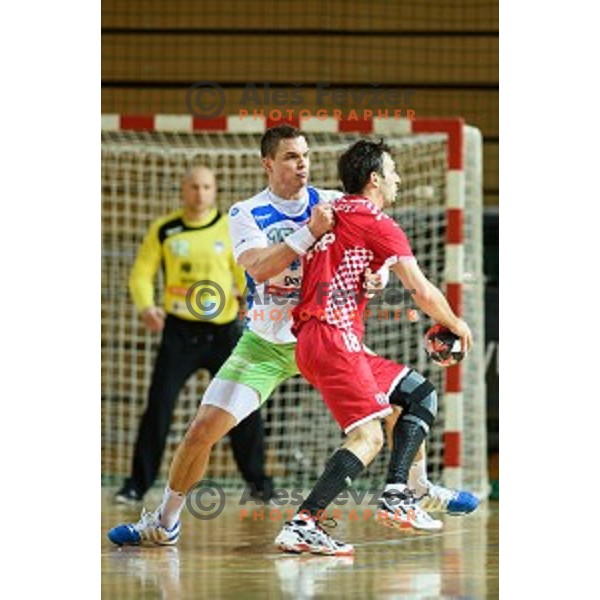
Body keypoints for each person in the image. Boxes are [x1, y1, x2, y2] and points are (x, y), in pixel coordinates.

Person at [107, 126, 476, 548]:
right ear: (268, 163)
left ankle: (417, 489)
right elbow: (259, 267)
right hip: (267, 342)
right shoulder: (246, 212)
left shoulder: (335, 202)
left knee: (401, 402)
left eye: (305, 155)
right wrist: (309, 233)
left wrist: (374, 277)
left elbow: (368, 252)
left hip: (324, 333)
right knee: (201, 430)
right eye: (290, 157)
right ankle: (164, 521)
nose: (302, 164)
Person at [274, 139, 475, 555]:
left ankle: (404, 489)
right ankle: (304, 522)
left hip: (320, 339)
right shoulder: (377, 223)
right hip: (332, 336)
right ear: (375, 179)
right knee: (368, 435)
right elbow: (419, 289)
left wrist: (373, 275)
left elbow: (347, 260)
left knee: (419, 393)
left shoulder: (332, 215)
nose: (399, 178)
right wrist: (455, 323)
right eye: (393, 171)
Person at [114, 165, 273, 506]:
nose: (200, 193)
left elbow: (247, 271)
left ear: (214, 191)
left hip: (223, 334)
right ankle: (135, 486)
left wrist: (247, 299)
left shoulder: (229, 229)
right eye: (193, 187)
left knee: (242, 408)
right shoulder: (165, 230)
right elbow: (141, 274)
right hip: (179, 333)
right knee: (159, 407)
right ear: (183, 190)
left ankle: (260, 484)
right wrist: (146, 306)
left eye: (206, 186)